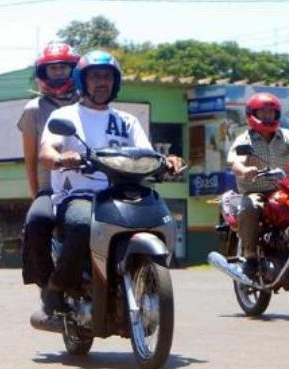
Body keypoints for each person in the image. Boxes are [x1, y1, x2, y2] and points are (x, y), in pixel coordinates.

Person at [33, 50, 183, 325]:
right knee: (81, 225)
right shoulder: (67, 116)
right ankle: (56, 289)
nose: (102, 83)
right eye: (95, 77)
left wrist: (168, 162)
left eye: (107, 77)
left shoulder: (127, 120)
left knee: (159, 219)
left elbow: (147, 153)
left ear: (116, 82)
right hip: (79, 195)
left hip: (121, 193)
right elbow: (45, 151)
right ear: (82, 81)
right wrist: (60, 158)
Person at [227, 92, 289, 277]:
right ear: (252, 114)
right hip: (257, 191)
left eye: (271, 113)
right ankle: (250, 256)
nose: (267, 116)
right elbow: (234, 160)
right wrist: (243, 169)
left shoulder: (288, 136)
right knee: (249, 207)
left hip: (286, 189)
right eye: (263, 113)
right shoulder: (245, 139)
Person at [18, 43, 80, 289]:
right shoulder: (33, 109)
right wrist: (36, 195)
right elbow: (30, 159)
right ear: (43, 73)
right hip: (50, 188)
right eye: (52, 70)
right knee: (35, 223)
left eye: (63, 69)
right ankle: (48, 286)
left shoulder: (85, 103)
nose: (58, 74)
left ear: (74, 71)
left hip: (86, 185)